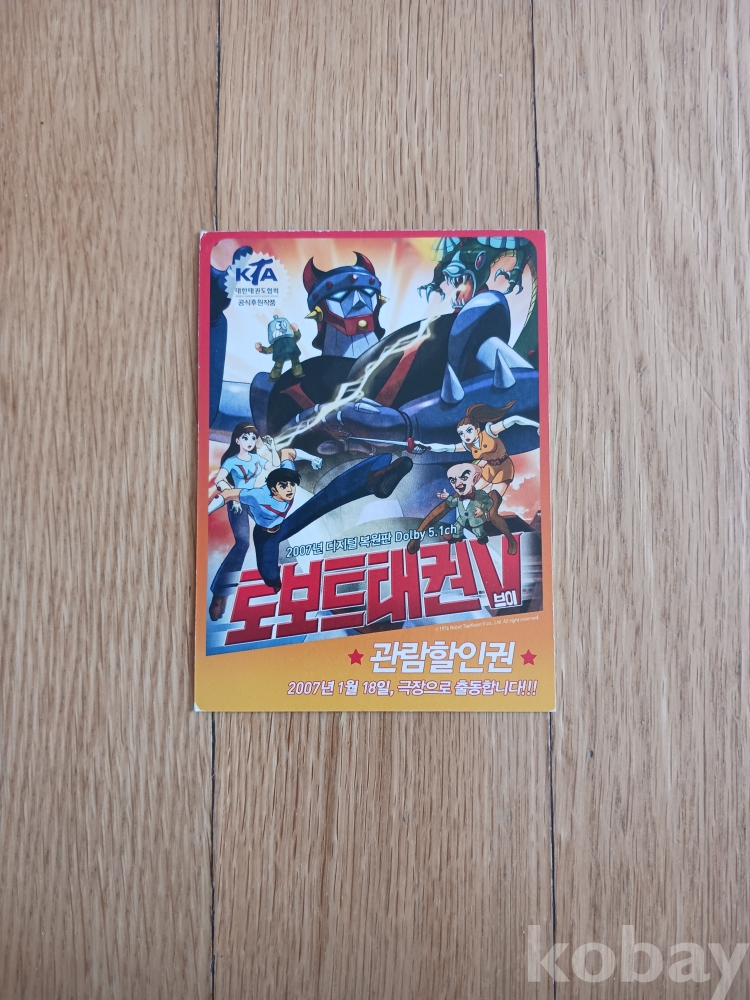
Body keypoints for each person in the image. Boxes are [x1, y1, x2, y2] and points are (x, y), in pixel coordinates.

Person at [218, 454, 413, 592]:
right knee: (321, 502)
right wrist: (226, 493)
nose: (289, 489)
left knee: (322, 501)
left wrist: (304, 457)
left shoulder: (278, 480)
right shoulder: (256, 493)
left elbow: (287, 454)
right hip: (272, 530)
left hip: (279, 528)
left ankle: (371, 477)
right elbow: (227, 493)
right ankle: (369, 476)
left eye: (290, 485)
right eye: (284, 486)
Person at [208, 422, 321, 620]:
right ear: (237, 440)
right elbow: (220, 481)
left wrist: (274, 449)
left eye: (253, 437)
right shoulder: (232, 461)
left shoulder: (256, 459)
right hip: (238, 500)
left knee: (273, 532)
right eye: (246, 437)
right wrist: (216, 504)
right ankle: (220, 594)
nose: (250, 441)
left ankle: (282, 577)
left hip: (253, 500)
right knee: (242, 543)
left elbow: (277, 466)